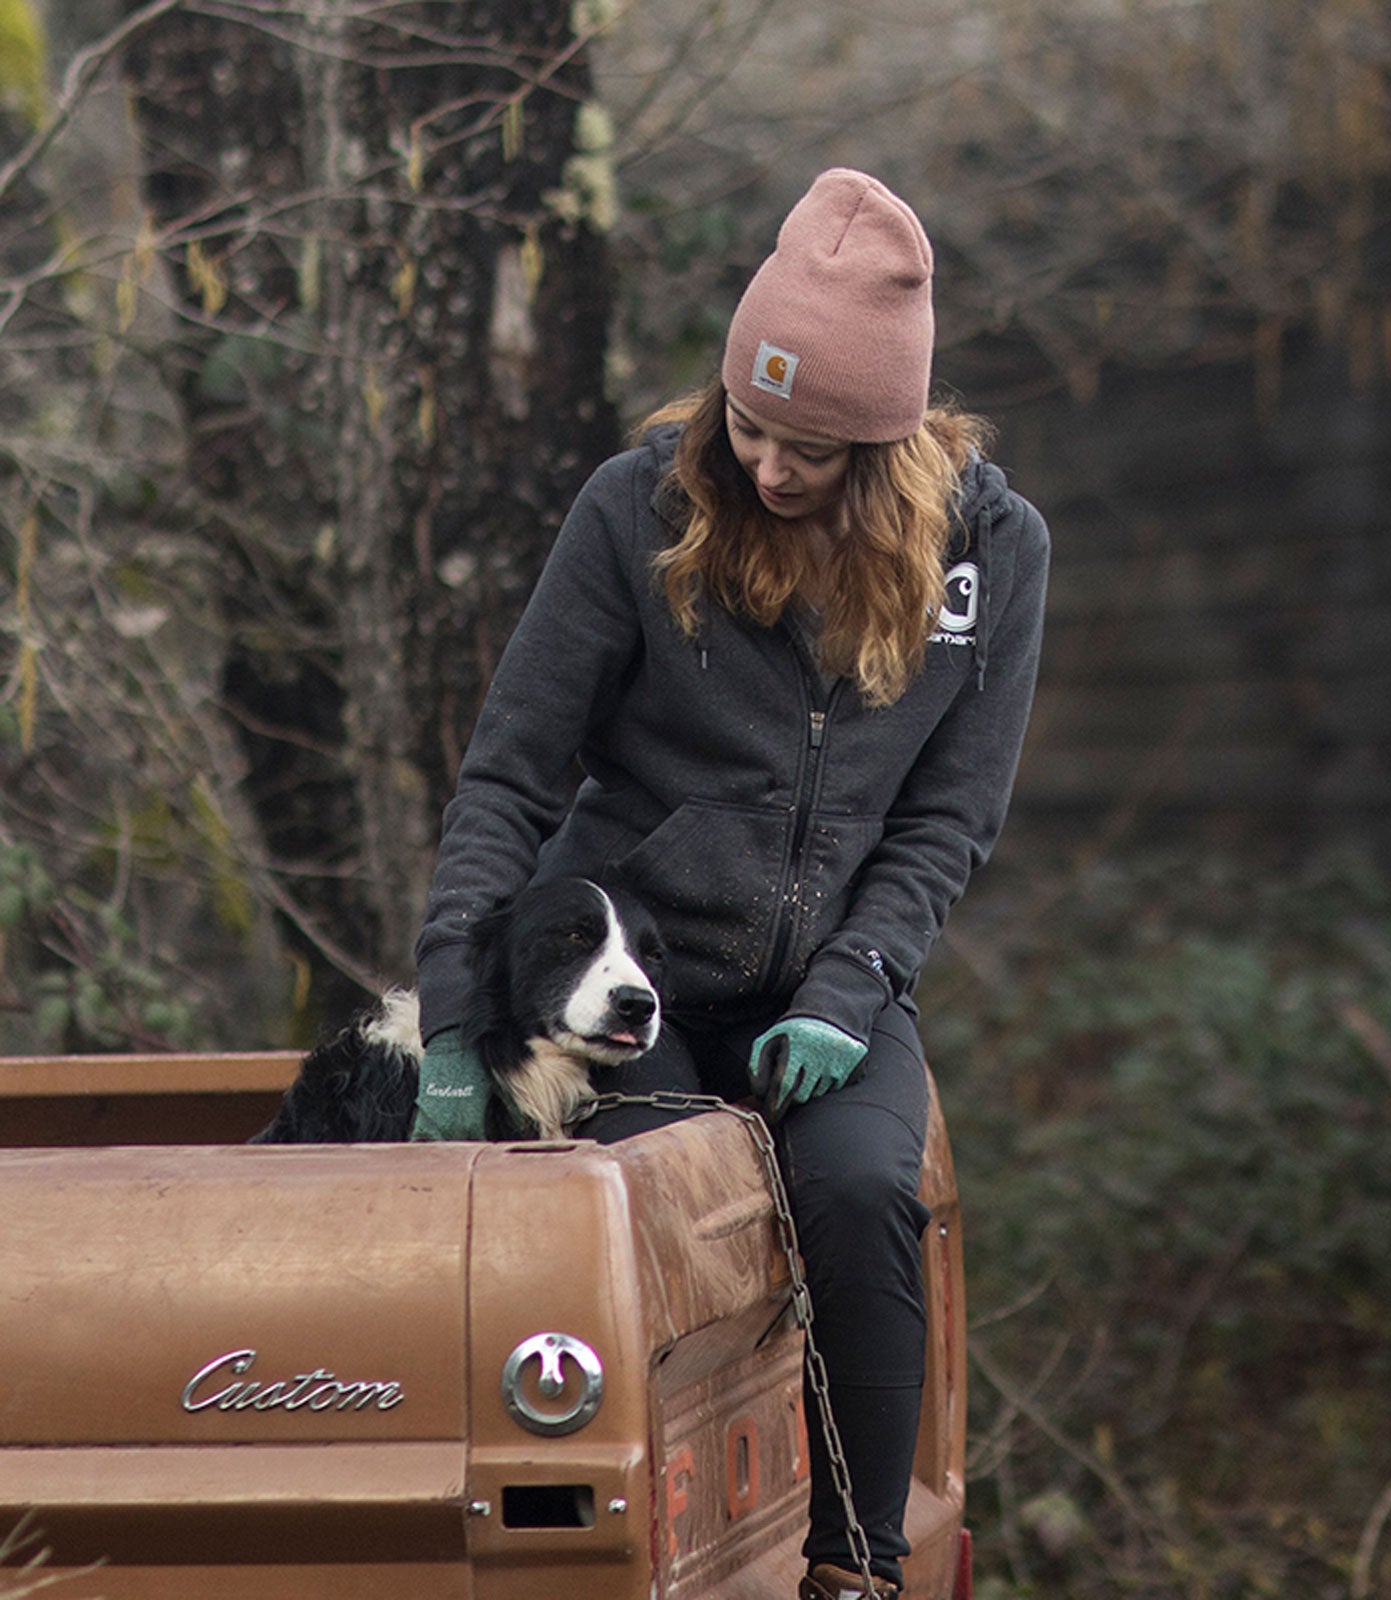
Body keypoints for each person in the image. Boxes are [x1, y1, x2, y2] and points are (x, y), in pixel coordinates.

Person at [410, 167, 1049, 1600]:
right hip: (632, 971)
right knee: (685, 1197)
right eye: (750, 424)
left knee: (867, 1192)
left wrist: (851, 987)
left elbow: (949, 821)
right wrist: (459, 1005)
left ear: (886, 444)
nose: (767, 466)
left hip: (834, 975)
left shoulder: (993, 559)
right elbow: (511, 774)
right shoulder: (636, 509)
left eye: (810, 445)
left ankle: (858, 1570)